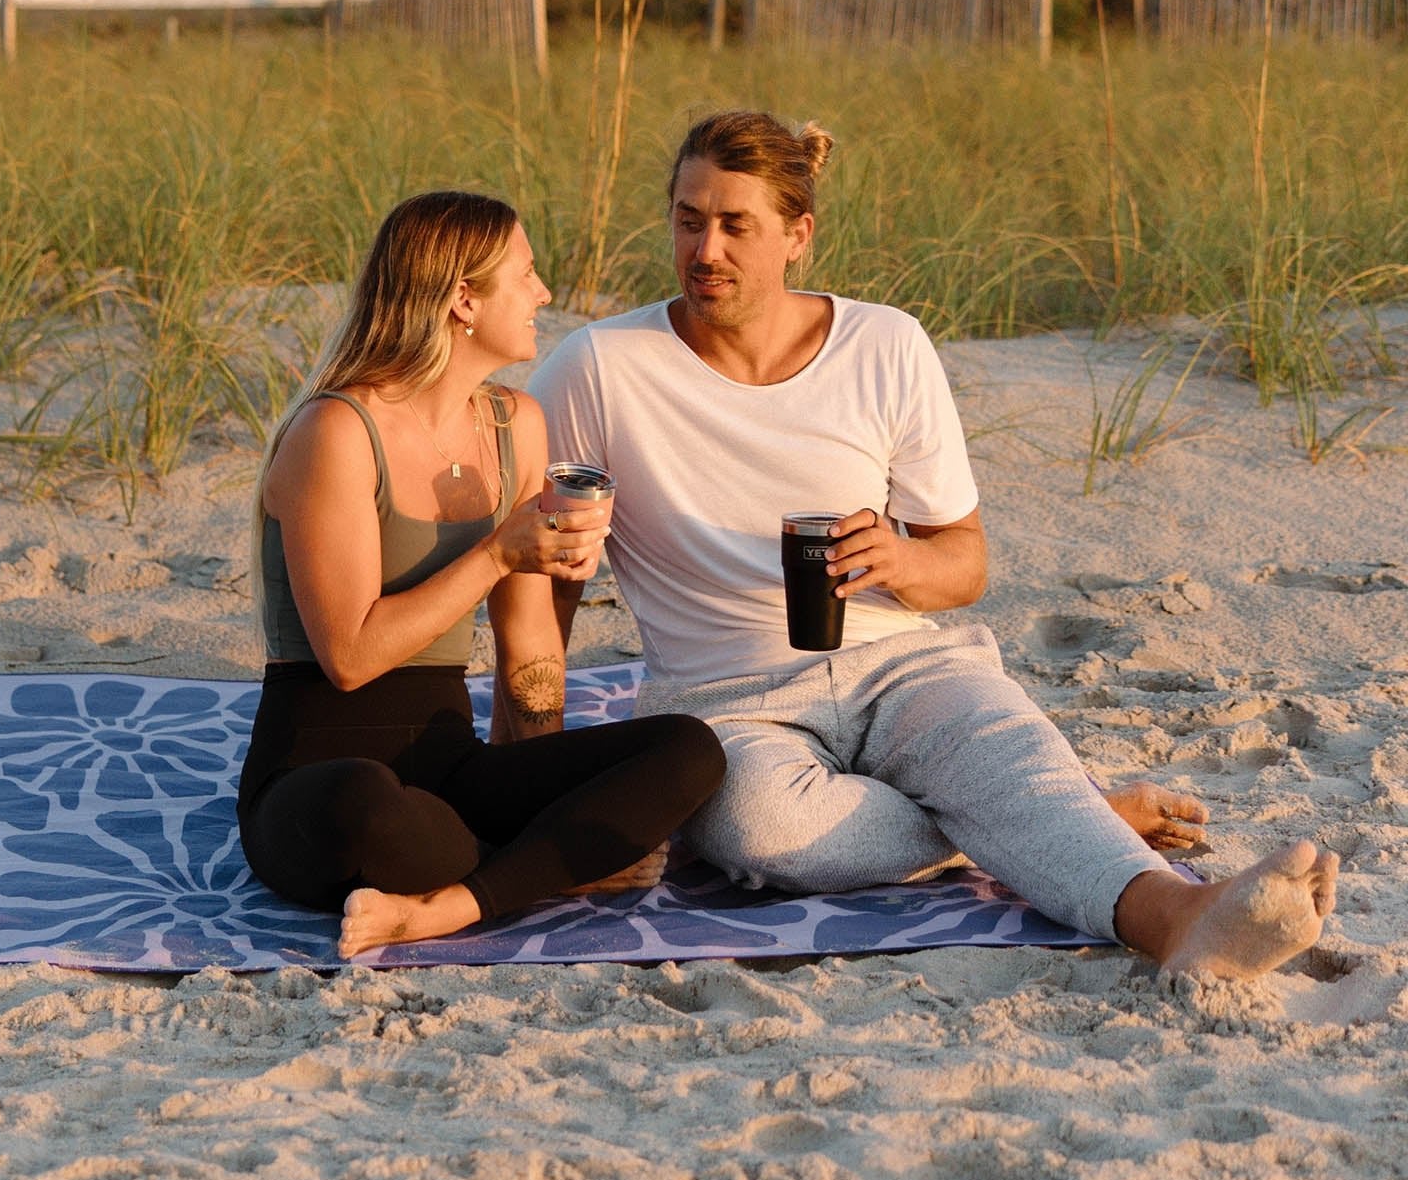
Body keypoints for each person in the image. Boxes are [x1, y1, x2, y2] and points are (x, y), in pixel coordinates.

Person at [524, 109, 1336, 982]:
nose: (704, 248)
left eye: (735, 225)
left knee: (1001, 743)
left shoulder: (884, 343)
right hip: (726, 697)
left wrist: (905, 561)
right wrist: (533, 784)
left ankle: (1179, 914)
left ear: (798, 234)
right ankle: (1052, 818)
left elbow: (967, 562)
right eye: (689, 220)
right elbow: (541, 585)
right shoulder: (599, 366)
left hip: (900, 665)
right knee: (765, 834)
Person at [242, 189, 725, 959]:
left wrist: (540, 776)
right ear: (463, 299)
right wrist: (500, 551)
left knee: (689, 751)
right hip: (317, 772)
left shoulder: (514, 425)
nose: (544, 294)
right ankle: (543, 868)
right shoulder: (335, 432)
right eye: (526, 275)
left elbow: (529, 637)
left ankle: (451, 905)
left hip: (451, 765)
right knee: (370, 811)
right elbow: (351, 657)